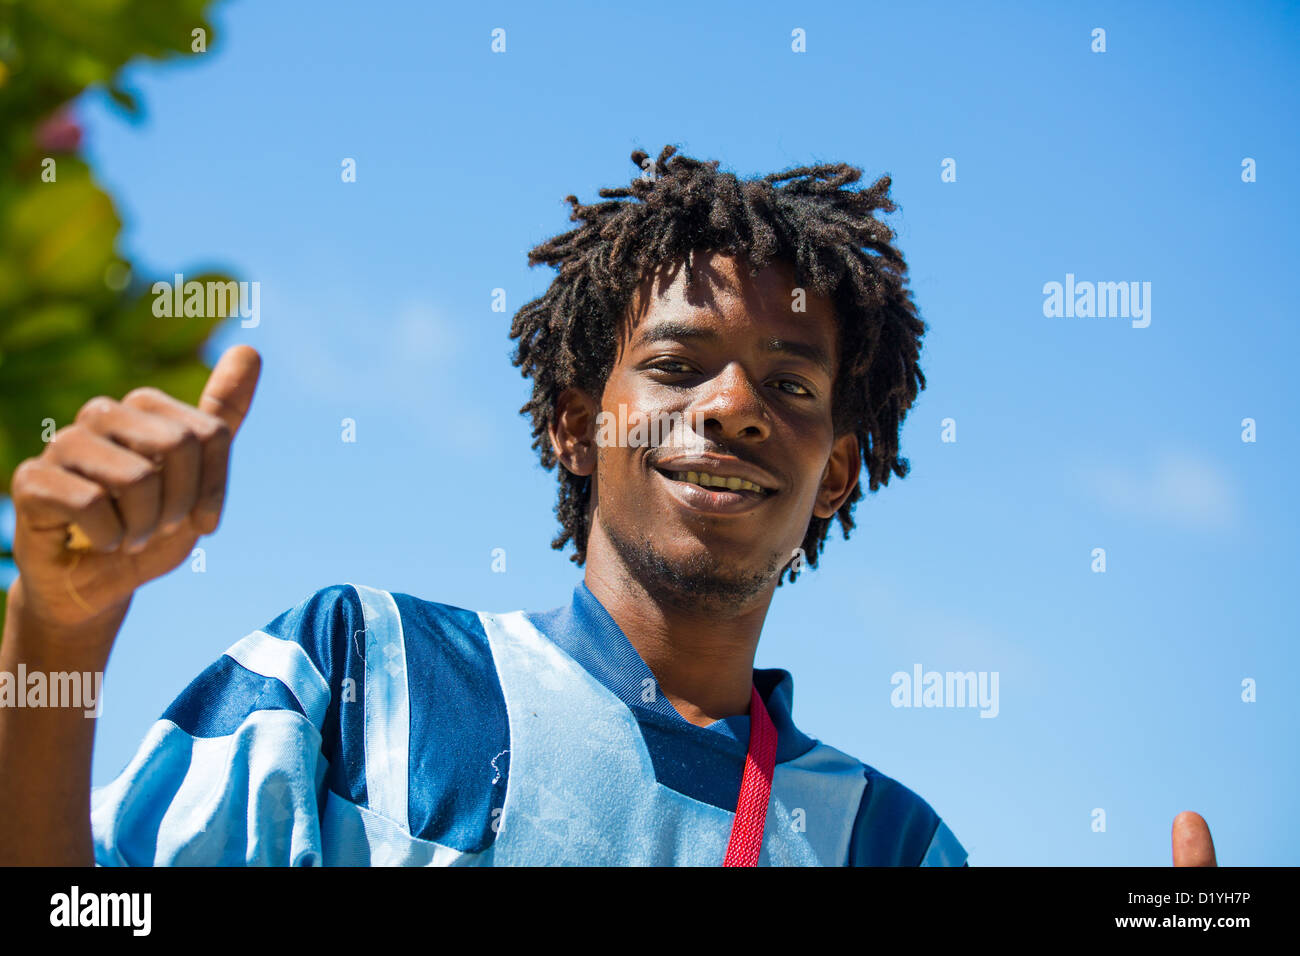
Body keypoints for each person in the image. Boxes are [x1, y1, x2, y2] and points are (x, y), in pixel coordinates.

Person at [0, 145, 1217, 866]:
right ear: (574, 421)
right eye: (679, 366)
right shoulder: (358, 673)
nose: (736, 405)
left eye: (791, 386)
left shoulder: (890, 843)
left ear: (838, 469)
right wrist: (56, 631)